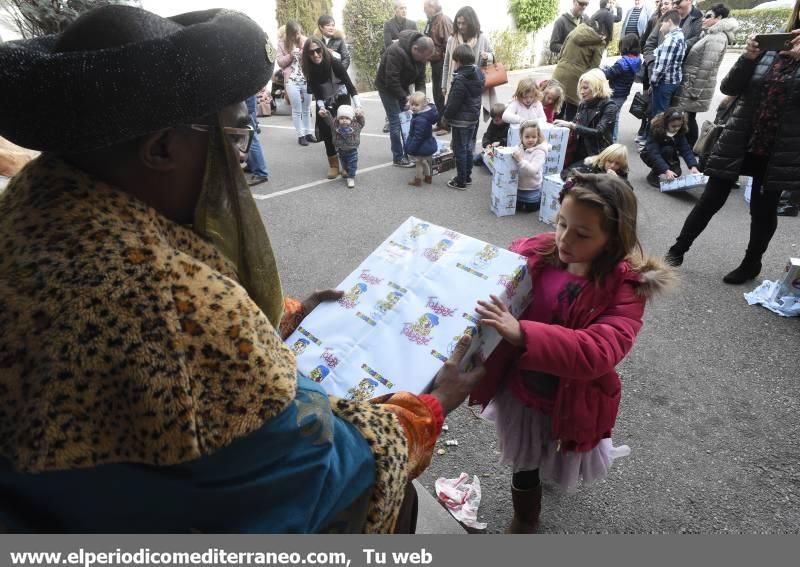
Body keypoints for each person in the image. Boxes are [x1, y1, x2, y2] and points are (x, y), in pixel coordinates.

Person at [0, 4, 486, 533]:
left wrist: (277, 320)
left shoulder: (27, 209)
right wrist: (429, 408)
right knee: (399, 499)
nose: (239, 157)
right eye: (234, 135)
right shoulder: (174, 307)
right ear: (162, 147)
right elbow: (318, 473)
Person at [472, 173, 674, 533]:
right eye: (561, 223)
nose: (564, 238)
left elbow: (598, 352)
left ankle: (546, 476)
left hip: (571, 397)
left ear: (613, 239)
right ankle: (525, 517)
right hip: (522, 390)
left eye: (582, 234)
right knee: (525, 460)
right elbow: (493, 283)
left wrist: (522, 333)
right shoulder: (534, 254)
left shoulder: (623, 290)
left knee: (558, 448)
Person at [665, 5, 800, 284]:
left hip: (778, 147)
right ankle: (677, 250)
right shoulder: (772, 47)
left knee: (763, 210)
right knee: (710, 199)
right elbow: (729, 88)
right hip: (741, 137)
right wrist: (749, 58)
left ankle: (752, 263)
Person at [672, 4, 737, 147]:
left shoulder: (717, 37)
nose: (704, 19)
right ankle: (686, 146)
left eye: (708, 16)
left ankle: (689, 147)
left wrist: (695, 90)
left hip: (696, 84)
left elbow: (707, 67)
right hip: (694, 81)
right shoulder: (711, 34)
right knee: (688, 116)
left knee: (689, 117)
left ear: (719, 18)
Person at [303, 36, 361, 179]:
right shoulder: (310, 70)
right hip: (324, 101)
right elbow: (317, 94)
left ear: (322, 49)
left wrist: (358, 107)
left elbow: (350, 86)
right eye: (311, 52)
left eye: (318, 50)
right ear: (307, 55)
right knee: (327, 131)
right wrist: (322, 108)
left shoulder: (335, 63)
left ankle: (348, 163)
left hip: (342, 98)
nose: (316, 54)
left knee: (345, 130)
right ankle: (334, 165)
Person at [376, 31, 433, 168]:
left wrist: (421, 98)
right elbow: (391, 80)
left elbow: (420, 80)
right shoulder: (395, 52)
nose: (424, 61)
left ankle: (410, 151)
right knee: (396, 122)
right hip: (387, 87)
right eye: (423, 58)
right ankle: (398, 157)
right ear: (415, 49)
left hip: (402, 86)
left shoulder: (422, 55)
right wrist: (406, 98)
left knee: (408, 120)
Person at [442, 7, 496, 127]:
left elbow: (493, 56)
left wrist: (487, 56)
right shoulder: (452, 39)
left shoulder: (482, 39)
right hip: (457, 84)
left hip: (474, 87)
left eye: (464, 23)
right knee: (456, 118)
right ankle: (458, 144)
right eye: (458, 22)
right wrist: (444, 85)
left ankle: (469, 144)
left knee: (472, 118)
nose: (460, 26)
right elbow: (446, 63)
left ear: (471, 23)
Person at [555, 68, 616, 172]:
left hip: (597, 154)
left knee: (568, 174)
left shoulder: (609, 106)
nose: (582, 92)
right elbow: (575, 124)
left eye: (585, 88)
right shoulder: (583, 104)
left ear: (597, 87)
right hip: (578, 150)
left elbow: (599, 132)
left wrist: (571, 125)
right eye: (581, 88)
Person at [442, 44, 484, 190]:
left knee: (460, 149)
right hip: (473, 118)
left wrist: (445, 117)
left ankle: (460, 180)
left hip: (460, 121)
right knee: (467, 148)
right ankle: (467, 176)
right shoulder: (478, 73)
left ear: (458, 60)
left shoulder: (461, 79)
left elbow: (454, 102)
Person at [551, 19, 607, 121]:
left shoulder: (574, 31)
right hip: (577, 78)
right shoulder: (599, 42)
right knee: (572, 114)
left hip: (559, 73)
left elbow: (562, 51)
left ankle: (551, 134)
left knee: (555, 110)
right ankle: (568, 136)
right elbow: (594, 68)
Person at [637, 0, 673, 143]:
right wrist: (650, 60)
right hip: (651, 68)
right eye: (662, 3)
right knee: (647, 100)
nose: (663, 6)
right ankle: (644, 128)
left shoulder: (675, 24)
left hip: (663, 73)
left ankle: (652, 135)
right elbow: (645, 42)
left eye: (667, 3)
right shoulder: (654, 20)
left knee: (657, 105)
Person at [277, 20, 315, 146]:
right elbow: (280, 62)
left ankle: (308, 133)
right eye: (295, 34)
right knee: (297, 109)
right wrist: (291, 55)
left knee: (307, 107)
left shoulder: (305, 40)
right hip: (292, 80)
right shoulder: (282, 44)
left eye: (298, 32)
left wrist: (305, 51)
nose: (297, 36)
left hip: (305, 78)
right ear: (289, 34)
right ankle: (301, 135)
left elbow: (313, 58)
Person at [642, 108, 700, 188]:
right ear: (666, 123)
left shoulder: (680, 132)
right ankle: (653, 175)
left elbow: (685, 149)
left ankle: (665, 169)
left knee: (677, 173)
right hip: (649, 155)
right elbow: (654, 153)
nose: (676, 128)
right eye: (673, 126)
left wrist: (693, 166)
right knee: (667, 150)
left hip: (667, 154)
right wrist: (666, 170)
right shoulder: (656, 130)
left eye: (679, 126)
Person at [604, 34, 642, 142]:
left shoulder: (623, 63)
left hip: (615, 93)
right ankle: (612, 140)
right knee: (615, 116)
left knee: (611, 118)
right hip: (623, 94)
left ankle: (612, 141)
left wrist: (599, 71)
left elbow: (609, 74)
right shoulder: (636, 60)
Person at [649, 10, 685, 119]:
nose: (660, 28)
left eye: (662, 24)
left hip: (664, 83)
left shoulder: (671, 40)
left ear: (669, 22)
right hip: (673, 80)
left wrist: (653, 82)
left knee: (659, 117)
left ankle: (657, 136)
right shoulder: (680, 36)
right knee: (665, 114)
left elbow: (662, 66)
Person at [423, 0, 452, 134]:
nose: (424, 10)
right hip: (435, 62)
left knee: (443, 93)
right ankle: (440, 122)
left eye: (425, 7)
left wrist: (447, 63)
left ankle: (446, 125)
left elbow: (449, 43)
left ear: (432, 7)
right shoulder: (432, 20)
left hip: (442, 62)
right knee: (436, 93)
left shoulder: (443, 20)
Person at [318, 105, 364, 189]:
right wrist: (326, 114)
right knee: (344, 164)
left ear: (351, 119)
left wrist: (360, 116)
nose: (344, 120)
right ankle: (346, 171)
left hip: (352, 150)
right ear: (338, 119)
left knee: (352, 165)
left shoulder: (356, 126)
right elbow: (329, 121)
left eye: (347, 118)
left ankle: (351, 177)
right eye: (341, 118)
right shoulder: (335, 126)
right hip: (341, 150)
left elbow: (361, 123)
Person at [512, 120, 549, 213]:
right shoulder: (519, 147)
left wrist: (520, 161)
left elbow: (533, 170)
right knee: (517, 208)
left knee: (530, 209)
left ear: (538, 137)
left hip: (532, 188)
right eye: (527, 137)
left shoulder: (540, 152)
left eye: (534, 137)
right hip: (518, 187)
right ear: (521, 137)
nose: (530, 139)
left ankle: (541, 197)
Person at [404, 91, 439, 186]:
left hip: (421, 145)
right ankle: (428, 177)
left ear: (423, 105)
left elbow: (418, 137)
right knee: (424, 161)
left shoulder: (420, 119)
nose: (413, 107)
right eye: (412, 104)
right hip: (426, 143)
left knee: (418, 163)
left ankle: (417, 180)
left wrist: (411, 148)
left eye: (416, 105)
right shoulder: (425, 115)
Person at [563, 143, 633, 190]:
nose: (612, 165)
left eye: (617, 163)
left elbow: (629, 190)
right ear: (605, 158)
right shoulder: (592, 163)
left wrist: (617, 180)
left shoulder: (620, 171)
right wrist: (569, 178)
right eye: (610, 161)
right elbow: (568, 171)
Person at [243, 95, 269, 186]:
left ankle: (260, 173)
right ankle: (251, 165)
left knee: (250, 135)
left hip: (244, 93)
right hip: (247, 92)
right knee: (248, 133)